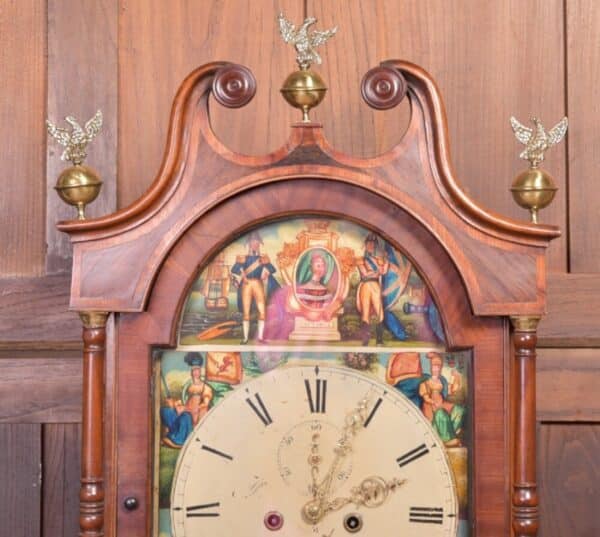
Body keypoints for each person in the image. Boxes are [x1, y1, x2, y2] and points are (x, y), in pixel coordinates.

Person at [231, 231, 280, 343]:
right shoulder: (244, 258)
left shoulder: (263, 258)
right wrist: (240, 268)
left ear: (259, 244)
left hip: (258, 283)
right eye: (252, 242)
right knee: (246, 312)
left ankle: (261, 338)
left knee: (262, 311)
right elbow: (234, 269)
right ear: (249, 244)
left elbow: (273, 269)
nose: (254, 244)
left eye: (256, 242)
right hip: (246, 284)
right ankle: (245, 338)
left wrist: (266, 270)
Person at [418, 352, 465, 447]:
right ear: (431, 368)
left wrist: (457, 378)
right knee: (440, 413)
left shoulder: (442, 381)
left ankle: (450, 436)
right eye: (434, 367)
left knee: (459, 410)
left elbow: (452, 390)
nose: (436, 369)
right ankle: (446, 439)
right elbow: (425, 396)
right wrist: (432, 402)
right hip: (433, 415)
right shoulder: (425, 382)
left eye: (438, 367)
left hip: (442, 407)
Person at [356, 233, 389, 345]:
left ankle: (379, 340)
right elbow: (364, 274)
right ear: (365, 245)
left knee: (380, 311)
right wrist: (376, 272)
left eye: (373, 244)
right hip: (365, 285)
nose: (371, 245)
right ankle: (365, 340)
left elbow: (383, 271)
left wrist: (386, 261)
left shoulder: (378, 259)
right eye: (369, 243)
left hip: (375, 285)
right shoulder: (361, 259)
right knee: (365, 313)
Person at [180, 353, 214, 426]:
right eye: (194, 370)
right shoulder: (188, 386)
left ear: (200, 371)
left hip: (199, 412)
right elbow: (184, 399)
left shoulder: (206, 387)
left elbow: (206, 403)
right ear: (191, 372)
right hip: (188, 411)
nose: (195, 372)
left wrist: (197, 408)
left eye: (197, 370)